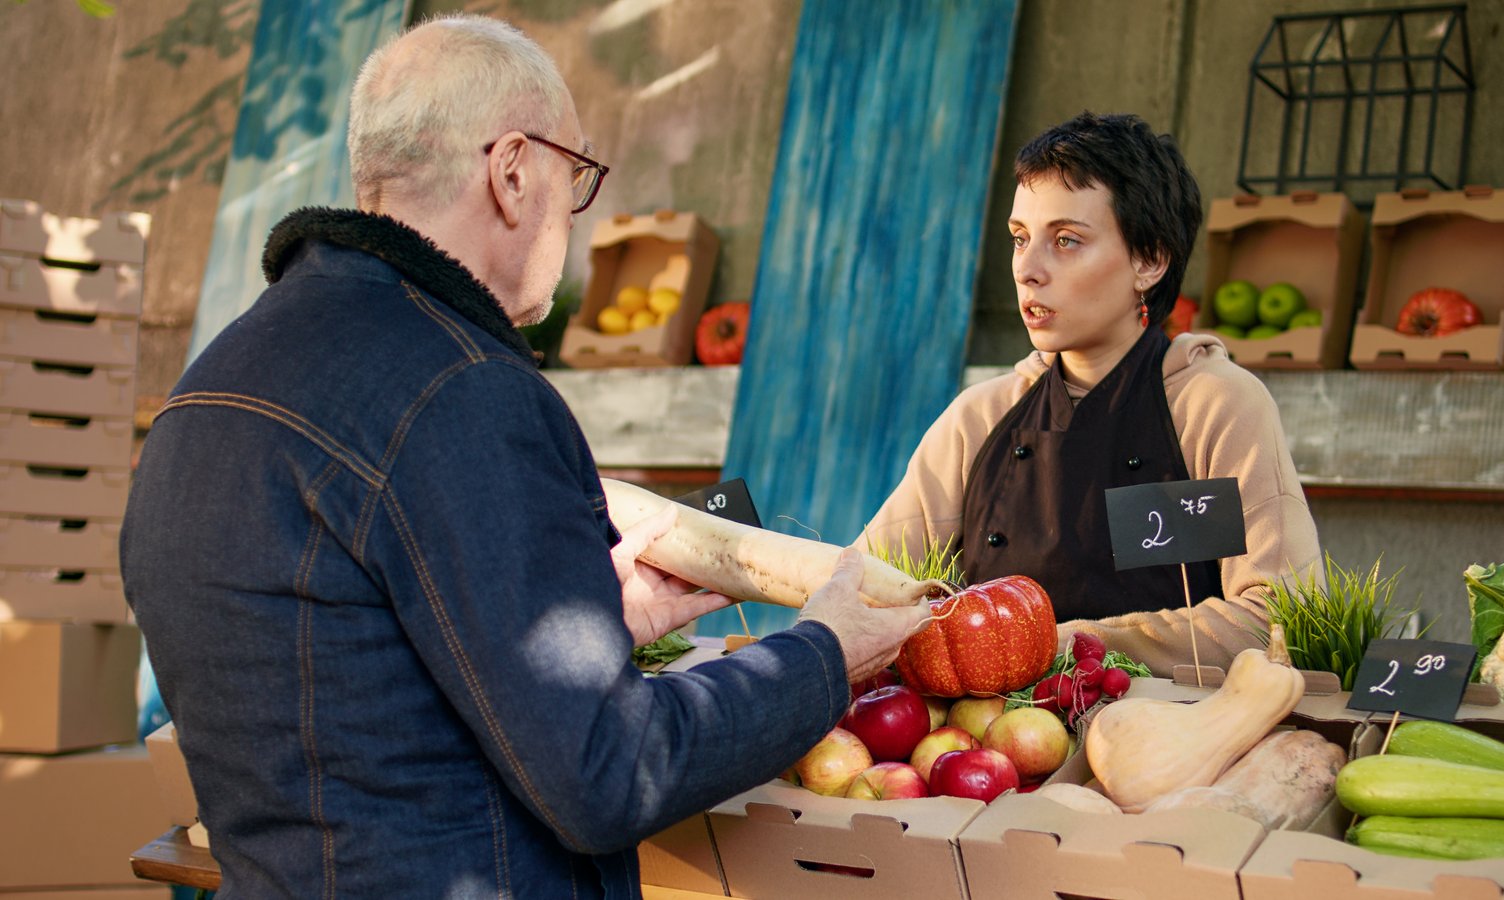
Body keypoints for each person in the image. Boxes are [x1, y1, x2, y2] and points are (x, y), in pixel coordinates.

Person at [121, 15, 928, 898]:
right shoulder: (464, 391)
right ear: (511, 172)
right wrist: (824, 653)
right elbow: (607, 776)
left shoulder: (207, 388)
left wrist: (600, 627)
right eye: (574, 174)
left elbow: (338, 679)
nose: (573, 215)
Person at [854, 111, 1320, 675]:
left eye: (1067, 240)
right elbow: (868, 587)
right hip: (988, 745)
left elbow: (1274, 618)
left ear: (1149, 260)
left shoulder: (1216, 404)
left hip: (1165, 742)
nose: (1027, 269)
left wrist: (1055, 645)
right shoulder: (981, 416)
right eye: (1020, 239)